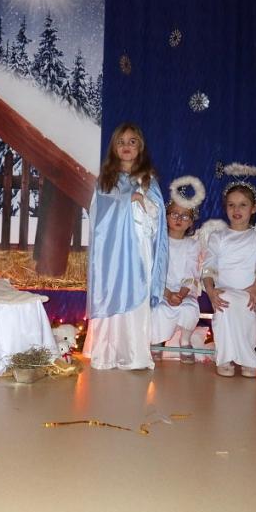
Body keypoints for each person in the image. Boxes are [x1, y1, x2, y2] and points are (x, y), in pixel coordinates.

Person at [83, 123, 168, 370]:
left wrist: (142, 202)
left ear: (140, 147)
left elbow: (157, 213)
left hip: (139, 247)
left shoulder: (147, 179)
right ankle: (106, 352)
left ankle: (134, 354)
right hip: (112, 250)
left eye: (132, 141)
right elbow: (97, 213)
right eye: (121, 142)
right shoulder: (106, 180)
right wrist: (128, 200)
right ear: (114, 148)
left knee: (137, 292)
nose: (126, 146)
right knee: (111, 290)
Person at [201, 176, 256, 378]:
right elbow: (208, 267)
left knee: (240, 305)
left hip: (251, 292)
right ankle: (228, 357)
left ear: (254, 208)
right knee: (224, 301)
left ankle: (243, 356)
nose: (236, 209)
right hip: (224, 291)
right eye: (231, 205)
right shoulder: (218, 237)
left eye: (243, 204)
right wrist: (211, 292)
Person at [151, 176, 205, 365]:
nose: (179, 219)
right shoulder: (158, 242)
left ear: (191, 222)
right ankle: (156, 342)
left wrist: (181, 294)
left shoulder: (192, 245)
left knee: (190, 308)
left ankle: (185, 341)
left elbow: (191, 273)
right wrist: (167, 294)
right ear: (166, 216)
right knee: (159, 309)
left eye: (185, 216)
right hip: (160, 290)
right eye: (174, 214)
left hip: (183, 291)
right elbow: (153, 272)